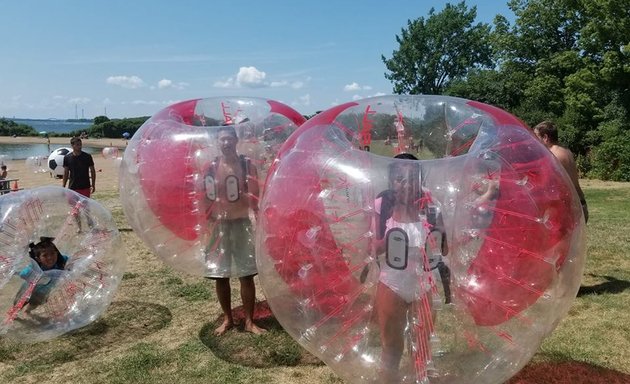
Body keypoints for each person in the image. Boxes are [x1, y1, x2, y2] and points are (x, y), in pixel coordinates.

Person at [372, 153, 448, 382]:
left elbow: (445, 251)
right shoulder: (382, 204)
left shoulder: (432, 205)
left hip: (424, 283)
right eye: (399, 179)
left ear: (420, 179)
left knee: (423, 349)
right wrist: (392, 239)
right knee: (391, 348)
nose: (405, 185)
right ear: (391, 181)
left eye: (411, 178)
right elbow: (372, 248)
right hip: (392, 282)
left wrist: (439, 235)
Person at [204, 124, 265, 335]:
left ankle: (249, 321)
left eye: (230, 139)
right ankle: (228, 319)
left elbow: (256, 201)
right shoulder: (211, 167)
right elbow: (204, 196)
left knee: (246, 275)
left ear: (236, 141)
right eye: (222, 139)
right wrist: (206, 222)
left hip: (241, 224)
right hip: (219, 226)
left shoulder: (247, 166)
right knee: (221, 276)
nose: (226, 143)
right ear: (217, 142)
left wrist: (259, 226)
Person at [533, 121, 588, 223]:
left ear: (545, 137)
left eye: (536, 136)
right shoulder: (566, 151)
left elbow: (545, 185)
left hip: (569, 207)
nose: (535, 141)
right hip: (580, 203)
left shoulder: (553, 155)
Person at [17, 237, 68, 310]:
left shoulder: (61, 261)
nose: (50, 257)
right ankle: (16, 315)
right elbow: (23, 274)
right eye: (45, 255)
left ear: (56, 253)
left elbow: (73, 260)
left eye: (52, 253)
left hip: (43, 293)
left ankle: (28, 312)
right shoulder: (35, 267)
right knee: (19, 304)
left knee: (34, 304)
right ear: (38, 259)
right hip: (28, 290)